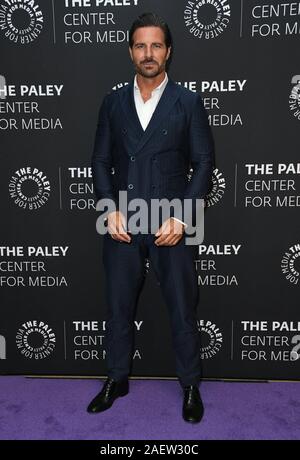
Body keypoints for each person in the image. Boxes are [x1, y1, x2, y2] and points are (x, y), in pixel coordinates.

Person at [88, 12, 214, 423]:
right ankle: (116, 378)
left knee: (182, 308)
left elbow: (203, 162)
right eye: (140, 45)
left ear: (168, 51)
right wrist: (109, 209)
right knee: (118, 307)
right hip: (124, 223)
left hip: (169, 223)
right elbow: (101, 160)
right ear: (130, 51)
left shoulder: (188, 102)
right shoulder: (112, 103)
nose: (148, 53)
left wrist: (182, 217)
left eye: (156, 45)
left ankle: (191, 384)